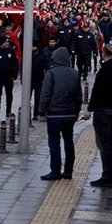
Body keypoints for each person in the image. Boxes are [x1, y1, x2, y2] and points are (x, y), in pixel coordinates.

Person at [83, 43, 112, 187]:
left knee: (104, 145)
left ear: (104, 54)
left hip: (103, 111)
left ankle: (107, 176)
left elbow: (97, 92)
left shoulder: (103, 71)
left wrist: (89, 110)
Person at [37, 46, 83, 181]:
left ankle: (55, 171)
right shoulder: (75, 74)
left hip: (54, 114)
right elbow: (79, 96)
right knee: (69, 142)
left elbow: (45, 94)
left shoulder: (50, 73)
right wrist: (76, 111)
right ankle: (68, 171)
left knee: (54, 143)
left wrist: (41, 110)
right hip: (70, 114)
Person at [0, 36, 19, 119]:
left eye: (8, 42)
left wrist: (14, 75)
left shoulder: (11, 52)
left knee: (9, 94)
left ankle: (8, 110)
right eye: (5, 42)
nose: (7, 44)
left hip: (8, 77)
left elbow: (15, 64)